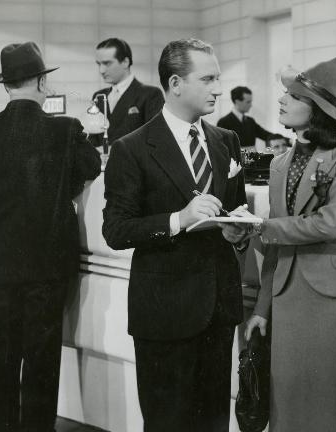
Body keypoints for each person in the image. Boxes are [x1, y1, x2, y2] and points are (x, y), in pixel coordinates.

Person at [224, 57, 336, 432]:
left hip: (334, 297)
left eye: (293, 97)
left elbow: (330, 223)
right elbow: (275, 245)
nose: (281, 102)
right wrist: (262, 308)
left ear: (319, 110)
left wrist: (262, 225)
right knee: (290, 409)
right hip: (287, 298)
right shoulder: (279, 164)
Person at [102, 38, 247, 432]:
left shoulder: (226, 141)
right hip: (164, 314)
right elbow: (115, 230)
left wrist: (238, 232)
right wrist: (177, 219)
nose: (218, 88)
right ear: (176, 83)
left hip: (218, 308)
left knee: (215, 420)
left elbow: (234, 211)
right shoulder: (130, 149)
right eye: (209, 79)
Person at [0, 41, 101, 432]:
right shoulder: (65, 129)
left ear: (6, 85)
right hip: (47, 266)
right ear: (41, 82)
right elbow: (90, 168)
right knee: (42, 361)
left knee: (3, 358)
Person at [91, 38, 164, 148]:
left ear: (125, 62)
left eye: (107, 63)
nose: (101, 70)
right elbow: (93, 138)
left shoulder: (150, 94)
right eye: (99, 64)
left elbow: (156, 139)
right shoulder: (99, 97)